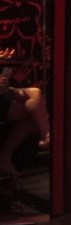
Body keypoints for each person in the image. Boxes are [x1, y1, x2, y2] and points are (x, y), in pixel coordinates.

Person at [0, 50, 50, 179]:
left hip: (4, 91)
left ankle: (46, 136)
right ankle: (4, 157)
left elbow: (3, 85)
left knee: (36, 92)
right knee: (32, 117)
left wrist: (7, 64)